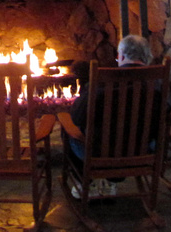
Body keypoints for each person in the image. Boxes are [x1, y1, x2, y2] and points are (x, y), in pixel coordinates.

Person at [67, 35, 164, 200]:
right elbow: (164, 114)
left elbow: (77, 118)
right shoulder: (156, 84)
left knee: (69, 129)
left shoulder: (101, 82)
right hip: (142, 150)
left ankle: (86, 184)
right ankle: (111, 182)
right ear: (147, 56)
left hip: (98, 153)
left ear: (121, 56)